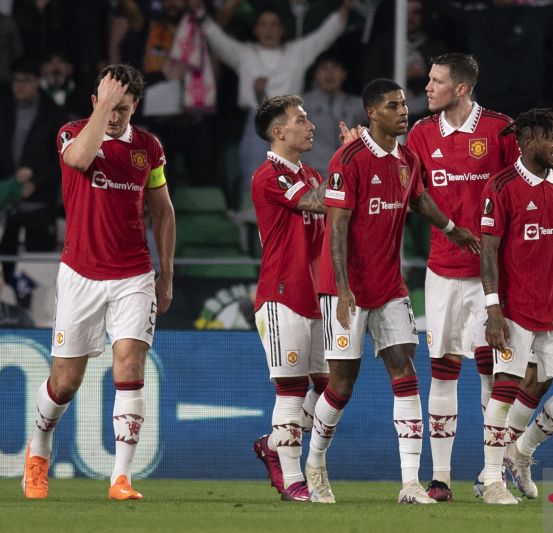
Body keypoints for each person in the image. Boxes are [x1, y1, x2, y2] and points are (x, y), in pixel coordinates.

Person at [306, 78, 479, 505]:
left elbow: (417, 199)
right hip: (344, 288)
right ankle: (314, 463)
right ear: (372, 113)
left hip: (389, 286)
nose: (404, 111)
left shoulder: (406, 158)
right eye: (393, 105)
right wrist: (344, 288)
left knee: (406, 372)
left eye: (404, 104)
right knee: (341, 385)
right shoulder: (348, 159)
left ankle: (409, 484)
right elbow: (337, 226)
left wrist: (452, 229)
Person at [21, 64, 175, 500]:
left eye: (123, 110)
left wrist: (166, 272)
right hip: (80, 275)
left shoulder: (149, 148)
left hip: (133, 275)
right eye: (108, 107)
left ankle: (121, 478)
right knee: (65, 381)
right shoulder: (72, 133)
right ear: (94, 102)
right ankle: (39, 451)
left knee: (129, 365)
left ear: (136, 107)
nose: (114, 118)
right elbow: (78, 161)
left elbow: (163, 211)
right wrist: (102, 107)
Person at [404, 53, 519, 501]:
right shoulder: (421, 133)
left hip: (491, 278)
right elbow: (412, 194)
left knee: (493, 372)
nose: (428, 87)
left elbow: (520, 190)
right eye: (429, 80)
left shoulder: (499, 130)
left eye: (436, 81)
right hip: (442, 274)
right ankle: (441, 478)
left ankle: (494, 475)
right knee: (444, 371)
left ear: (462, 88)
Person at [478, 109, 553, 505]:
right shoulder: (502, 186)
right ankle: (491, 479)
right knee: (505, 389)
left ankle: (521, 451)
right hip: (514, 310)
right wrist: (493, 310)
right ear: (525, 141)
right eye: (549, 136)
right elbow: (488, 252)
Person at [246, 95, 331, 502]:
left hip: (316, 295)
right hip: (282, 295)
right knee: (291, 390)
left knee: (331, 386)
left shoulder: (311, 172)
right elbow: (316, 203)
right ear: (279, 132)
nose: (310, 124)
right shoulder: (268, 175)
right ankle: (294, 479)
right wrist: (352, 161)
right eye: (301, 119)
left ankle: (274, 444)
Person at [189, 0, 352, 204]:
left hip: (291, 125)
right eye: (263, 25)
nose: (269, 30)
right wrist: (199, 12)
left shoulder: (297, 52)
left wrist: (346, 8)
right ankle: (251, 230)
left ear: (283, 29)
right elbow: (216, 37)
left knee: (291, 187)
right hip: (257, 123)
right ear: (255, 29)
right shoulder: (244, 53)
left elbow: (326, 34)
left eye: (274, 24)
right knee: (255, 183)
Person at [0, 57, 66, 301]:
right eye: (15, 81)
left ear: (37, 82)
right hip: (8, 208)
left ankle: (34, 328)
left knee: (38, 278)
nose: (18, 86)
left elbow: (63, 159)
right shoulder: (4, 111)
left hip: (40, 208)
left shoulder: (53, 115)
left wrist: (35, 181)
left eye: (25, 81)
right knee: (5, 274)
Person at [302, 53, 365, 174]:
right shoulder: (303, 105)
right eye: (324, 68)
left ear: (343, 74)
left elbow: (389, 107)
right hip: (315, 175)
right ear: (315, 75)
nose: (330, 73)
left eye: (335, 68)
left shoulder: (353, 104)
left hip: (348, 173)